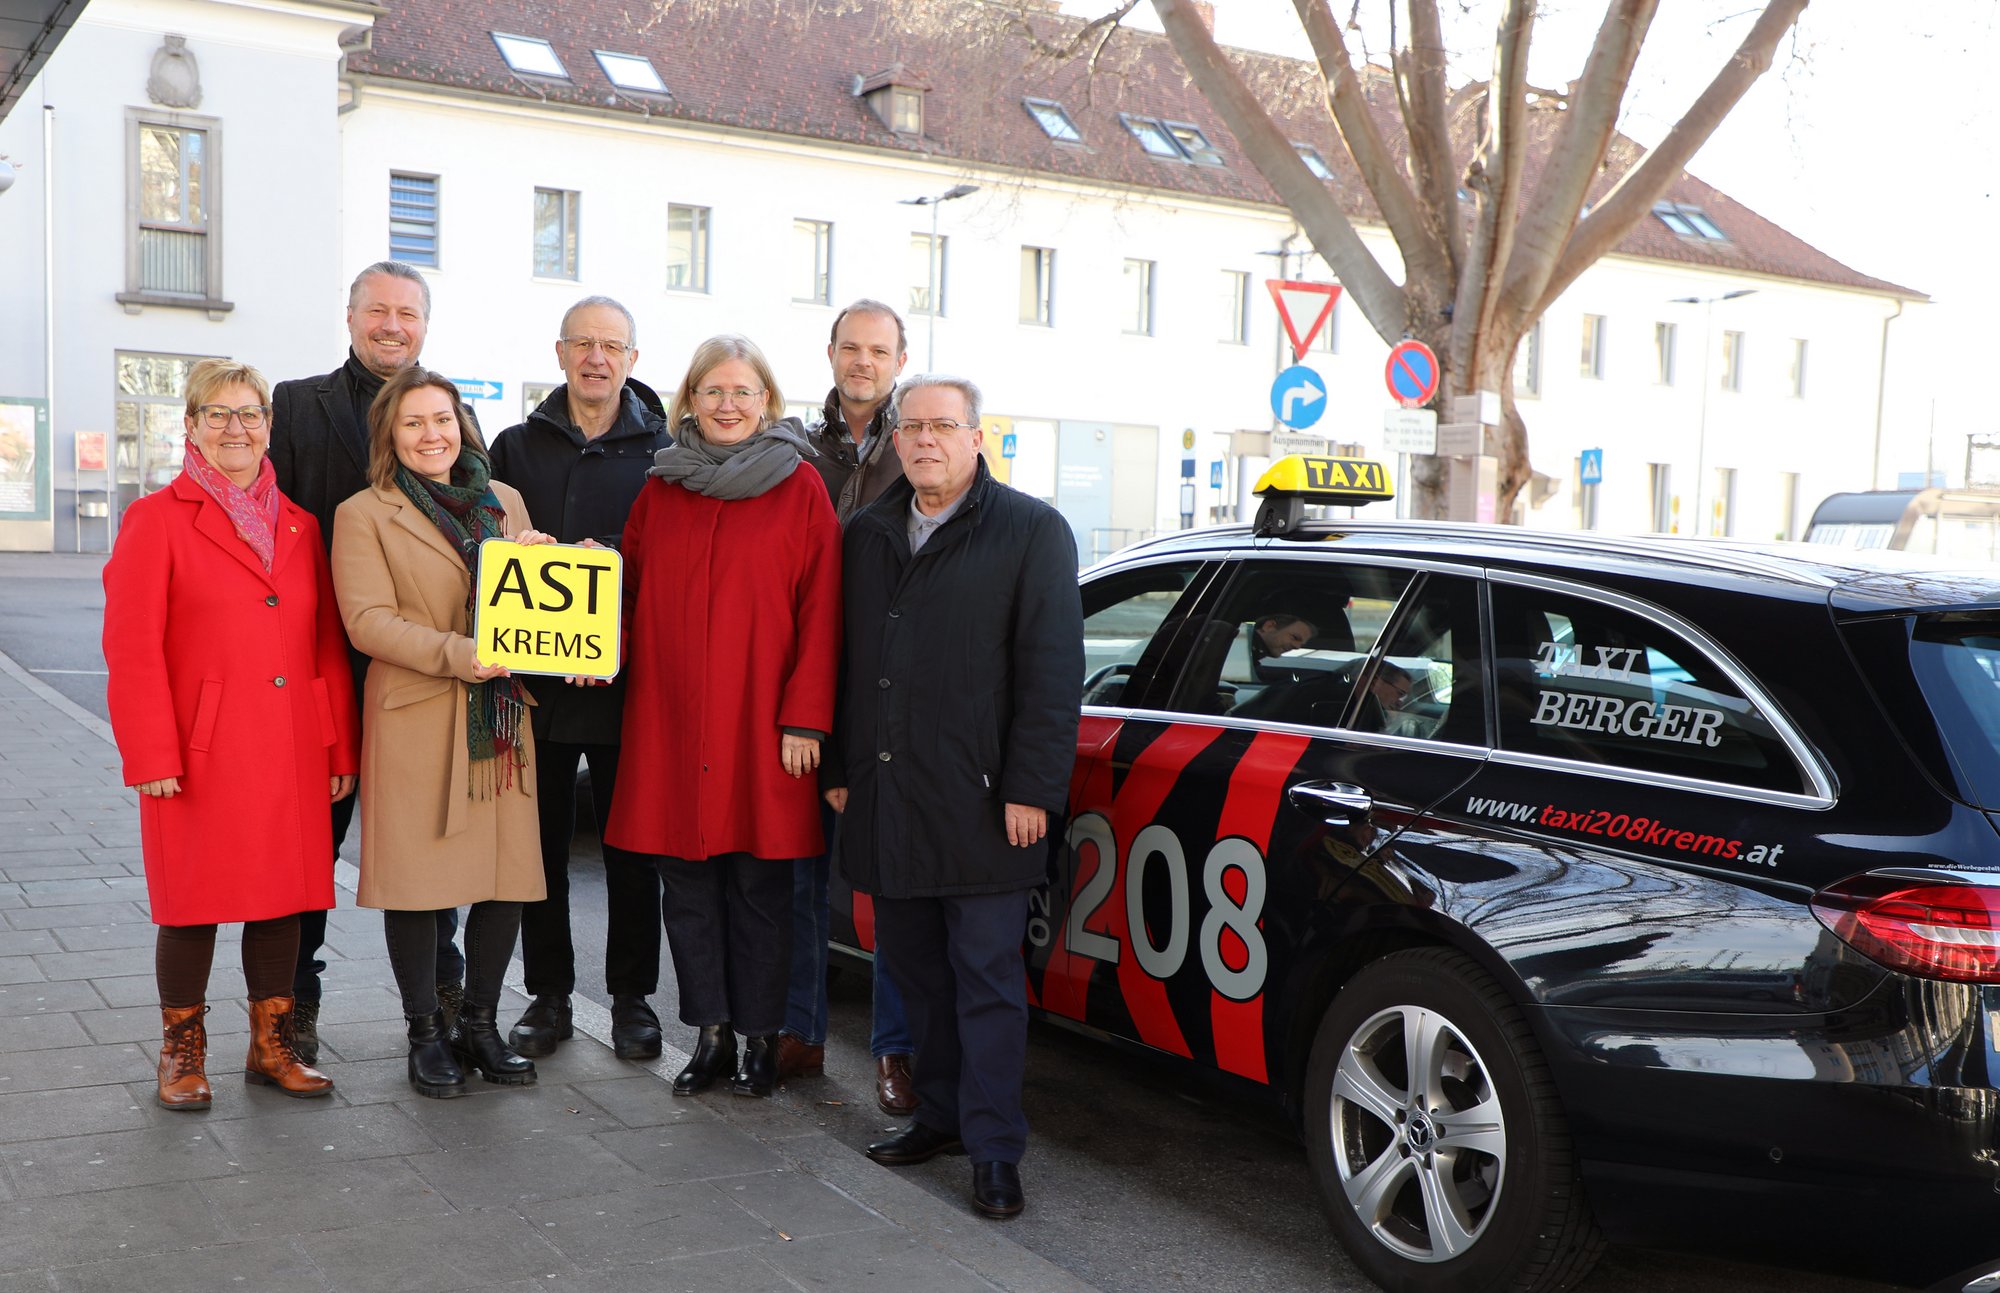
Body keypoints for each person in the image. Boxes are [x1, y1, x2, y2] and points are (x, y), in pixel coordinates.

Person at [826, 374, 1083, 1220]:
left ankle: (996, 1148)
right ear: (895, 440)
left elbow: (1052, 674)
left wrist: (1031, 788)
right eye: (912, 427)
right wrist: (839, 770)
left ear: (978, 436)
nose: (926, 439)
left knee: (987, 985)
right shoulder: (867, 533)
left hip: (986, 806)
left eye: (943, 425)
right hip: (889, 796)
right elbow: (846, 661)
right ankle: (938, 1116)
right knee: (917, 977)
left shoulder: (1032, 530)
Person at [103, 358, 354, 1109]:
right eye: (217, 414)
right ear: (191, 426)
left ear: (269, 427)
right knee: (191, 904)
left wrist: (337, 745)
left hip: (291, 746)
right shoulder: (155, 519)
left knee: (282, 901)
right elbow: (131, 647)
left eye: (249, 414)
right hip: (198, 751)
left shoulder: (301, 525)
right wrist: (150, 751)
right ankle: (181, 1053)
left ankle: (271, 1046)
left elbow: (324, 645)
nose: (234, 428)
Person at [605, 335, 841, 1100]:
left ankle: (762, 1037)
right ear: (691, 401)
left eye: (742, 391)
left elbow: (822, 611)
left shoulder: (801, 487)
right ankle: (710, 1034)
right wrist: (596, 646)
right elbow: (627, 594)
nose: (728, 404)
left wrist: (806, 718)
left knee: (762, 890)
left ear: (766, 401)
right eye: (713, 391)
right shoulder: (661, 489)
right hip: (672, 720)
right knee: (687, 886)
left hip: (763, 724)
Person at [331, 366, 553, 1099]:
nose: (432, 434)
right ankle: (426, 1034)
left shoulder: (504, 500)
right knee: (418, 884)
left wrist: (548, 565)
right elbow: (367, 621)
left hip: (500, 720)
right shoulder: (365, 512)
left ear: (463, 425)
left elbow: (527, 607)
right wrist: (462, 654)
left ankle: (481, 1027)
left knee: (504, 876)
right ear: (390, 435)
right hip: (417, 714)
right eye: (414, 422)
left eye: (443, 419)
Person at [269, 261, 465, 1061]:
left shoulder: (447, 411)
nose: (392, 325)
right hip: (325, 667)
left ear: (425, 325)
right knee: (308, 849)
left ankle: (444, 1006)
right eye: (377, 310)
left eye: (407, 313)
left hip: (423, 673)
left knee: (433, 848)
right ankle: (291, 1006)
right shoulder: (296, 405)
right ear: (350, 317)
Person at [489, 295, 670, 1063]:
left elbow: (673, 560)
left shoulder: (663, 451)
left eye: (612, 346)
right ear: (560, 352)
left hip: (628, 686)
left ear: (632, 359)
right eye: (583, 343)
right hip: (537, 685)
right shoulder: (514, 445)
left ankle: (633, 998)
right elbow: (484, 544)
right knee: (540, 849)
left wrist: (615, 566)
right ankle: (549, 993)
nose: (597, 357)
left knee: (633, 850)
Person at [785, 299, 918, 1115]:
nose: (863, 361)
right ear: (830, 353)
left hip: (887, 699)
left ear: (900, 358)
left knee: (892, 884)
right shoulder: (796, 448)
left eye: (878, 349)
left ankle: (895, 1049)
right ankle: (798, 1030)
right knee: (801, 872)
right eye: (851, 347)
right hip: (806, 688)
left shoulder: (923, 443)